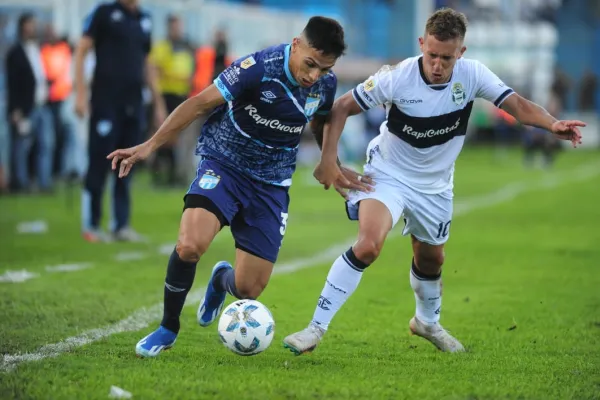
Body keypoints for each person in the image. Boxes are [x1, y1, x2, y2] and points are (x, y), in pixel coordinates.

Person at [283, 7, 584, 355]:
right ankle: (315, 328)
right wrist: (329, 161)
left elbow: (516, 104)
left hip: (435, 184)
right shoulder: (398, 77)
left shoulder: (472, 75)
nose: (438, 65)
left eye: (447, 58)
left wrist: (553, 124)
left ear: (461, 53)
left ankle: (426, 322)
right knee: (368, 245)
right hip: (388, 174)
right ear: (421, 43)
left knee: (431, 261)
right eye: (432, 55)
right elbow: (341, 108)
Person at [107, 16, 371, 358]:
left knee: (249, 288)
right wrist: (150, 145)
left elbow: (320, 122)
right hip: (224, 163)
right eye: (310, 64)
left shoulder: (325, 84)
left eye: (324, 68)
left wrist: (330, 162)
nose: (313, 75)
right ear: (296, 44)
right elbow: (199, 103)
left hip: (271, 183)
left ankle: (220, 281)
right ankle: (167, 327)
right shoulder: (258, 67)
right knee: (189, 245)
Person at [74, 0, 167, 243]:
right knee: (100, 159)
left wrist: (158, 103)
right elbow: (82, 50)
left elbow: (147, 63)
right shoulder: (104, 12)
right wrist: (81, 94)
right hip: (106, 102)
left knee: (129, 161)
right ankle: (91, 224)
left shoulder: (144, 19)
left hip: (134, 103)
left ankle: (121, 224)